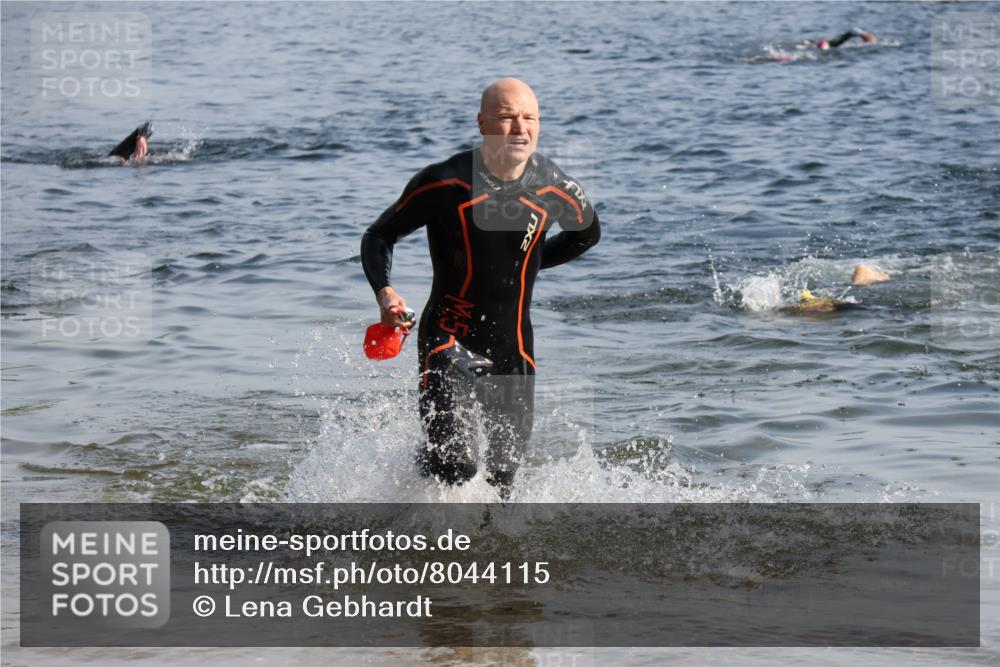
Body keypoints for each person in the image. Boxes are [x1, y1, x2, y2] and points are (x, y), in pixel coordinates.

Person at [361, 78, 600, 498]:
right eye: (507, 117)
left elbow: (586, 236)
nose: (520, 129)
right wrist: (386, 292)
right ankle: (422, 470)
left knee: (503, 482)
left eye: (530, 118)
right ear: (483, 123)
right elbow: (380, 235)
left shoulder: (554, 187)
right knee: (457, 465)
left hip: (513, 348)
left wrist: (532, 263)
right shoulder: (445, 183)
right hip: (448, 338)